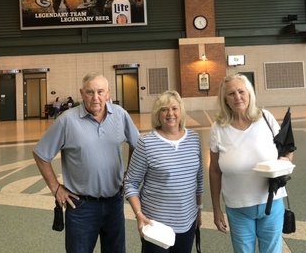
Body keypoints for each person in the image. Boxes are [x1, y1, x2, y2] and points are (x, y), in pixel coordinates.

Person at [33, 72, 140, 253]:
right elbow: (41, 154)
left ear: (108, 93)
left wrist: (129, 177)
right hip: (81, 207)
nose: (96, 97)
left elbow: (137, 146)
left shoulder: (120, 115)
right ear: (82, 93)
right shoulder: (67, 120)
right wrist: (56, 188)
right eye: (90, 92)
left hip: (114, 203)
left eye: (100, 92)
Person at [209, 74, 294, 253]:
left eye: (241, 91)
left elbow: (287, 148)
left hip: (272, 201)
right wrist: (216, 209)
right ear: (225, 99)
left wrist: (285, 161)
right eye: (231, 93)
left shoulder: (266, 118)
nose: (237, 97)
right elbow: (215, 171)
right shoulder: (218, 128)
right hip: (238, 208)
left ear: (249, 93)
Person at [124, 90, 203, 253]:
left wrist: (199, 210)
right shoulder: (146, 143)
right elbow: (130, 183)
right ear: (157, 115)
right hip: (155, 226)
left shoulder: (194, 139)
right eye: (164, 109)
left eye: (174, 108)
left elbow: (199, 179)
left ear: (181, 111)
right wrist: (139, 214)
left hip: (187, 223)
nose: (170, 113)